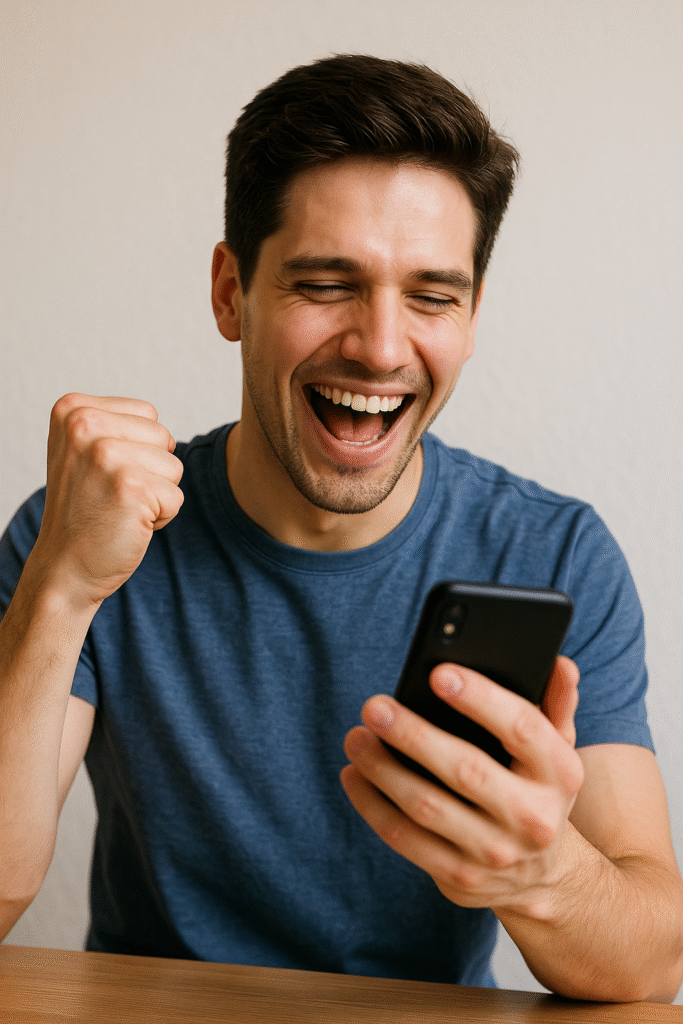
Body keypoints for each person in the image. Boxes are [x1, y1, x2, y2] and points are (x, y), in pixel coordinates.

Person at [1, 54, 682, 1002]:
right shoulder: (88, 531)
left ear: (474, 315)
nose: (381, 345)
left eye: (432, 296)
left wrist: (541, 875)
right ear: (231, 292)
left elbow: (653, 963)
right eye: (327, 284)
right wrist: (64, 582)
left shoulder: (554, 552)